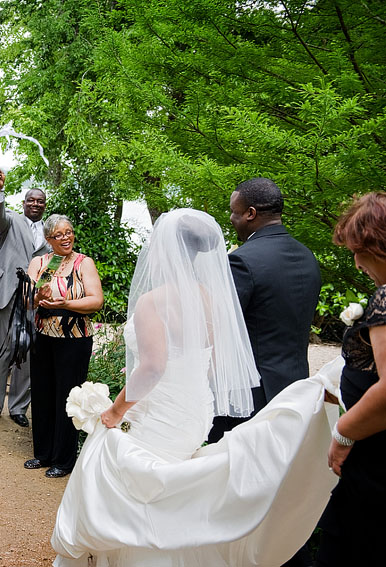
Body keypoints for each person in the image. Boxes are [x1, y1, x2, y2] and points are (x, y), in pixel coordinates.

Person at [51, 209, 337, 567]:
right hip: (194, 413)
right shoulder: (210, 298)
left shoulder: (153, 301)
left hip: (160, 413)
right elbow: (210, 362)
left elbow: (153, 367)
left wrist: (114, 411)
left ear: (164, 249)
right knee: (167, 491)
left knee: (131, 479)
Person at [208, 177, 321, 443]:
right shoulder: (307, 257)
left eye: (234, 212)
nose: (231, 219)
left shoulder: (241, 261)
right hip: (296, 388)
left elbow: (222, 328)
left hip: (251, 396)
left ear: (251, 213)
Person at [316, 192, 386, 566]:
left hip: (375, 460)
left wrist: (343, 434)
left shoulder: (385, 299)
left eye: (358, 251)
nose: (357, 264)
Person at [25, 215, 103, 477]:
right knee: (43, 394)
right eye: (59, 235)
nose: (66, 237)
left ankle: (63, 460)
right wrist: (38, 296)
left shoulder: (83, 263)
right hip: (43, 337)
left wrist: (66, 304)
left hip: (75, 339)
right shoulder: (40, 263)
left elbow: (96, 301)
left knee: (68, 397)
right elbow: (26, 301)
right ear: (49, 239)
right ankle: (43, 454)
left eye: (68, 232)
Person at [0, 165, 49, 427]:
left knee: (26, 352)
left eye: (40, 201)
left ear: (44, 205)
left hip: (33, 300)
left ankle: (18, 408)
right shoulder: (11, 220)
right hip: (5, 292)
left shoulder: (50, 231)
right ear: (24, 203)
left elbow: (52, 263)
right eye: (31, 200)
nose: (35, 204)